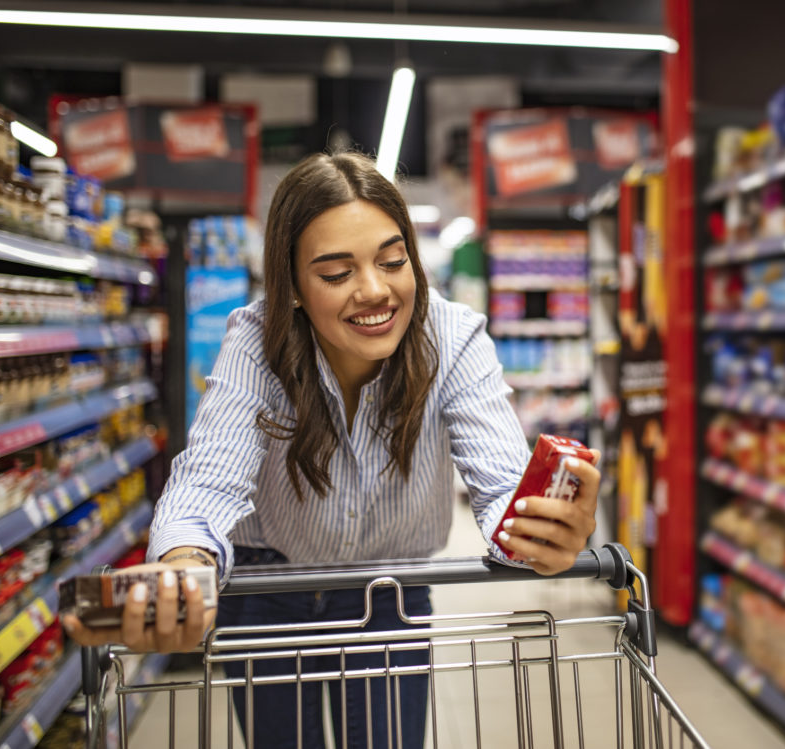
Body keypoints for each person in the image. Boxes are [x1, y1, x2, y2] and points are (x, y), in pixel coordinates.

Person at [63, 151, 601, 748]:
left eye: (393, 261)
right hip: (266, 591)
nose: (375, 290)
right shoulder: (257, 341)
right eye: (336, 273)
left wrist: (538, 529)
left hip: (388, 596)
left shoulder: (452, 337)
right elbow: (208, 479)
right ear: (291, 286)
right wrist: (184, 564)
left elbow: (502, 483)